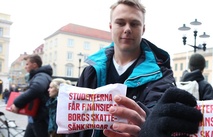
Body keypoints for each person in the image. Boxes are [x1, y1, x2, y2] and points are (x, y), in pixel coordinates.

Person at [66, 0, 181, 137]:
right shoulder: (90, 72)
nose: (127, 29)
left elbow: (160, 115)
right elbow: (73, 126)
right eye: (120, 23)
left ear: (143, 29)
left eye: (134, 24)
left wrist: (146, 127)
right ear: (110, 26)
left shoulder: (161, 75)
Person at [10, 54, 52, 137]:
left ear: (34, 65)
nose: (25, 67)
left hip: (41, 118)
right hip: (36, 117)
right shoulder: (38, 76)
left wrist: (17, 103)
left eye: (27, 64)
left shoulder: (41, 76)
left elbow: (37, 88)